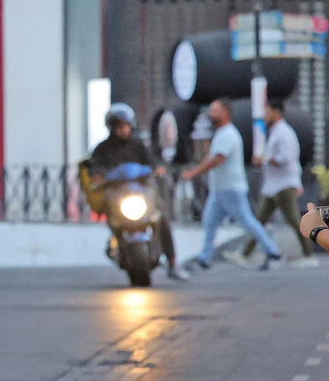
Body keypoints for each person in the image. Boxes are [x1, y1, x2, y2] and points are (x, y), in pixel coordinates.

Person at [88, 102, 187, 280]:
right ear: (112, 128)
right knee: (109, 210)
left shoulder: (138, 145)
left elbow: (152, 161)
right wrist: (98, 175)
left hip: (140, 191)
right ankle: (115, 242)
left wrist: (157, 169)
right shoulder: (102, 149)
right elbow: (94, 167)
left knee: (161, 217)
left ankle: (173, 263)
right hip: (117, 193)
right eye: (119, 126)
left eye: (126, 125)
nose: (123, 129)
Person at [182, 99, 282, 271]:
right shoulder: (220, 134)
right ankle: (205, 257)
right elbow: (210, 157)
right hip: (219, 189)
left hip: (231, 188)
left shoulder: (229, 134)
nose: (212, 114)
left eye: (215, 111)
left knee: (247, 221)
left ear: (226, 112)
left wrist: (194, 172)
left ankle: (273, 252)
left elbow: (217, 159)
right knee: (210, 221)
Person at [239, 100, 315, 266]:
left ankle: (309, 255)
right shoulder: (276, 132)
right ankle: (245, 254)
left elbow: (285, 158)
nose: (265, 117)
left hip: (283, 185)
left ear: (276, 113)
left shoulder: (283, 133)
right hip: (273, 186)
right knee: (260, 220)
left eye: (268, 113)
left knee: (294, 221)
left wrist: (264, 159)